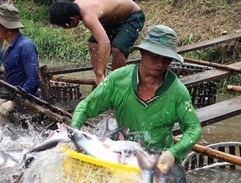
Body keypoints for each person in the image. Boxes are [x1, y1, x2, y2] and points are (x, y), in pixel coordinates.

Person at [70, 25, 202, 175]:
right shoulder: (118, 80)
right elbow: (85, 107)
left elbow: (194, 129)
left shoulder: (177, 91)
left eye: (166, 59)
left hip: (159, 162)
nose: (160, 63)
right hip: (124, 154)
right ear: (142, 52)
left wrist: (173, 153)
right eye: (155, 56)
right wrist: (74, 131)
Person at [49, 0, 145, 85]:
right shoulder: (73, 8)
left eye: (64, 26)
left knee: (117, 48)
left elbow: (105, 43)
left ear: (72, 19)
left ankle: (116, 83)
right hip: (112, 20)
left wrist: (99, 74)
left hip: (131, 17)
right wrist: (100, 73)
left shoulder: (87, 15)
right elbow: (98, 42)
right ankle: (102, 81)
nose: (64, 28)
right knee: (93, 44)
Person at [0, 3, 41, 117]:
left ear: (4, 26)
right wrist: (4, 98)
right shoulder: (9, 45)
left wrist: (13, 102)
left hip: (28, 105)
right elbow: (12, 77)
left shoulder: (25, 46)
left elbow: (33, 80)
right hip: (15, 99)